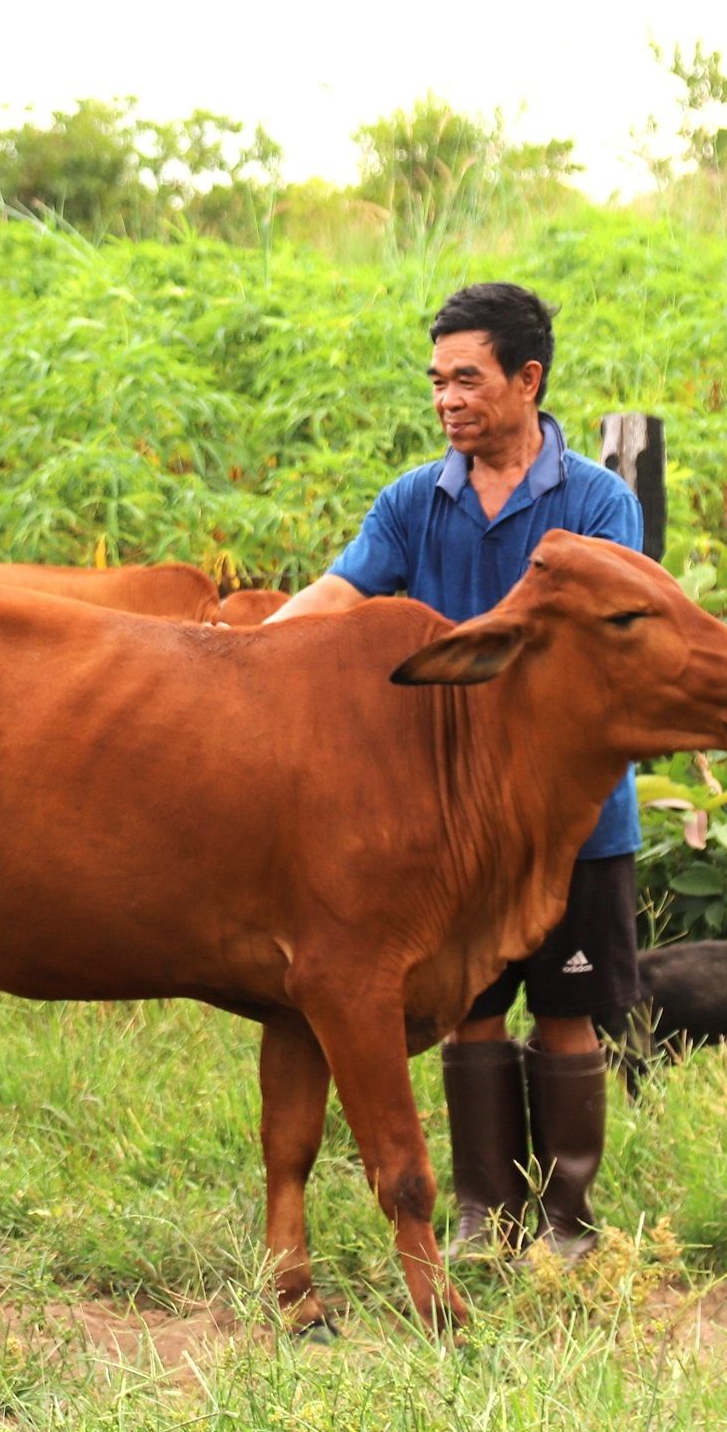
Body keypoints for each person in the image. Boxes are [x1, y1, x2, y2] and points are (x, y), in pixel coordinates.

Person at [265, 280, 646, 1262]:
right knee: (469, 1015)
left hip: (572, 822)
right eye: (437, 381)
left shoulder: (599, 503)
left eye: (467, 379)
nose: (447, 400)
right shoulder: (414, 501)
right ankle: (485, 1214)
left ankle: (568, 1224)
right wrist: (238, 656)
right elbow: (341, 591)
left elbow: (595, 652)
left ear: (529, 379)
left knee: (566, 1016)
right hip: (447, 828)